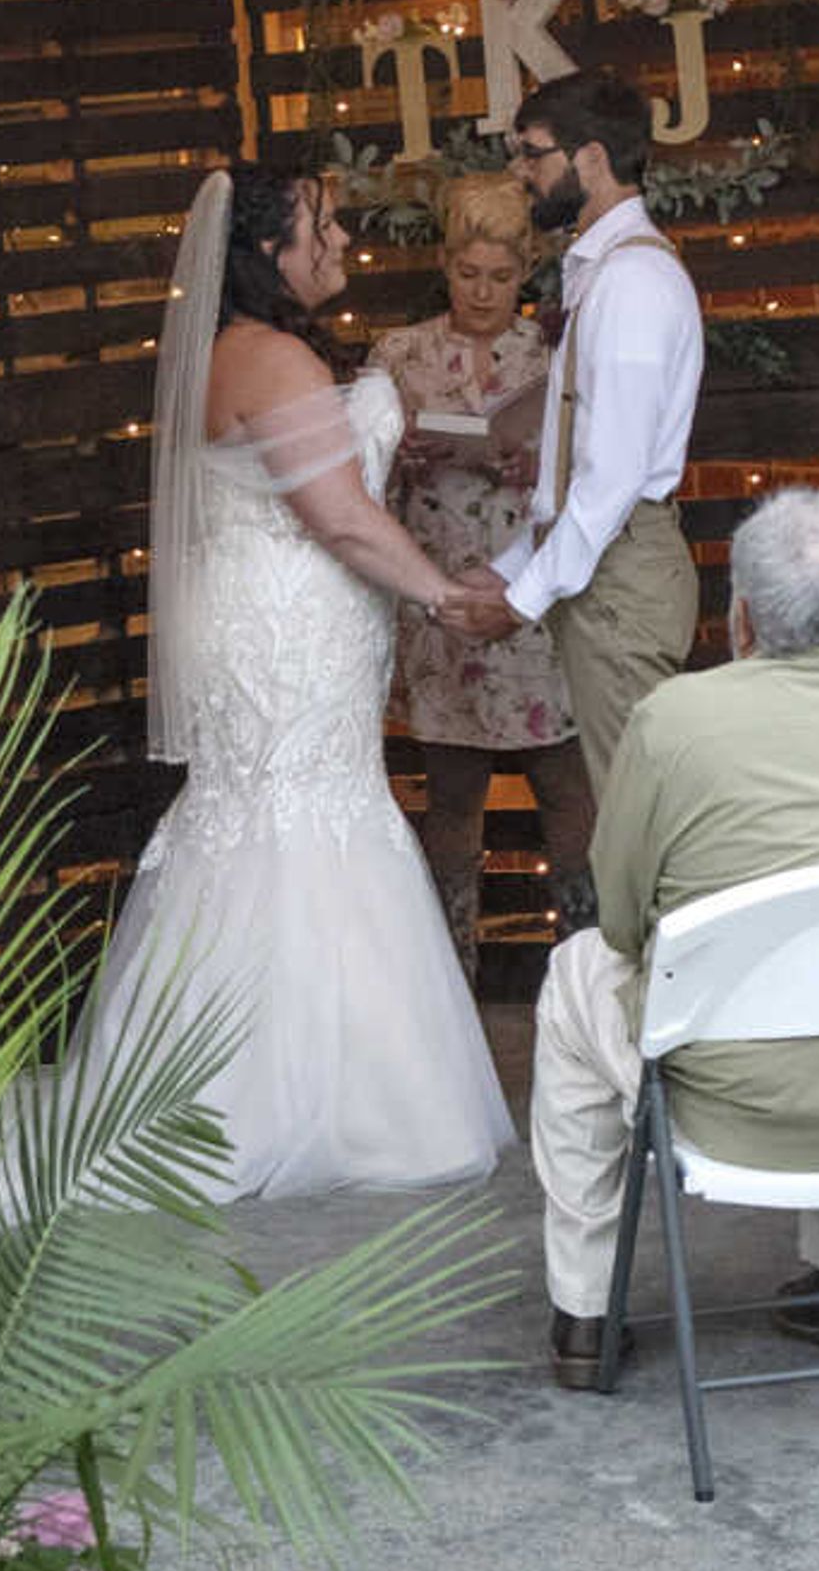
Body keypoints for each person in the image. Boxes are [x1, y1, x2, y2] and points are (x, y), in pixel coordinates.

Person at [71, 162, 516, 1202]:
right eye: (326, 226)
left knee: (265, 811)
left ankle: (241, 1074)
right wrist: (448, 599)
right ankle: (314, 1099)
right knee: (300, 811)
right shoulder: (269, 356)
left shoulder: (241, 352)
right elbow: (344, 515)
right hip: (285, 628)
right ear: (271, 250)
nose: (346, 242)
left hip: (265, 613)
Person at [529, 489, 819, 1387]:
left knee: (574, 972)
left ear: (740, 616)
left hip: (725, 1101)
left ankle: (584, 1316)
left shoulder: (676, 719)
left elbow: (623, 922)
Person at [370, 172, 598, 956]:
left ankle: (585, 969)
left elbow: (589, 468)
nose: (483, 291)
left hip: (535, 600)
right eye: (468, 273)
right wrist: (403, 451)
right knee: (453, 800)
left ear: (526, 272)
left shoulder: (551, 353)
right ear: (444, 264)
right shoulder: (399, 355)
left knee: (569, 790)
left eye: (501, 277)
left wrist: (532, 462)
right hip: (441, 604)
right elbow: (362, 486)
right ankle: (451, 981)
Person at [492, 67, 707, 809]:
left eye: (532, 153)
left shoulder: (633, 282)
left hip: (623, 574)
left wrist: (520, 598)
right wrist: (511, 565)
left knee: (636, 810)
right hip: (609, 569)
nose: (521, 173)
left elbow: (611, 474)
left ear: (589, 157)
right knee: (626, 799)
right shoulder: (604, 271)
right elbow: (576, 458)